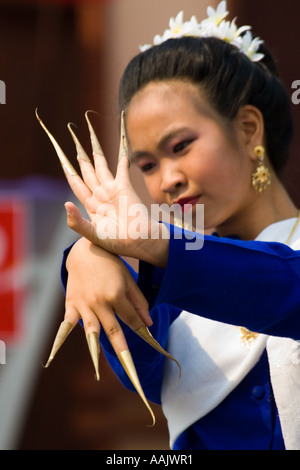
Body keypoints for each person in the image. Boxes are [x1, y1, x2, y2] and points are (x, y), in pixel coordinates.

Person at [40, 1, 300, 450]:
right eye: (146, 165)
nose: (167, 181)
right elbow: (146, 370)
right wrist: (88, 253)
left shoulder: (175, 263)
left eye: (181, 145)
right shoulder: (165, 287)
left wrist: (158, 246)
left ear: (248, 128)